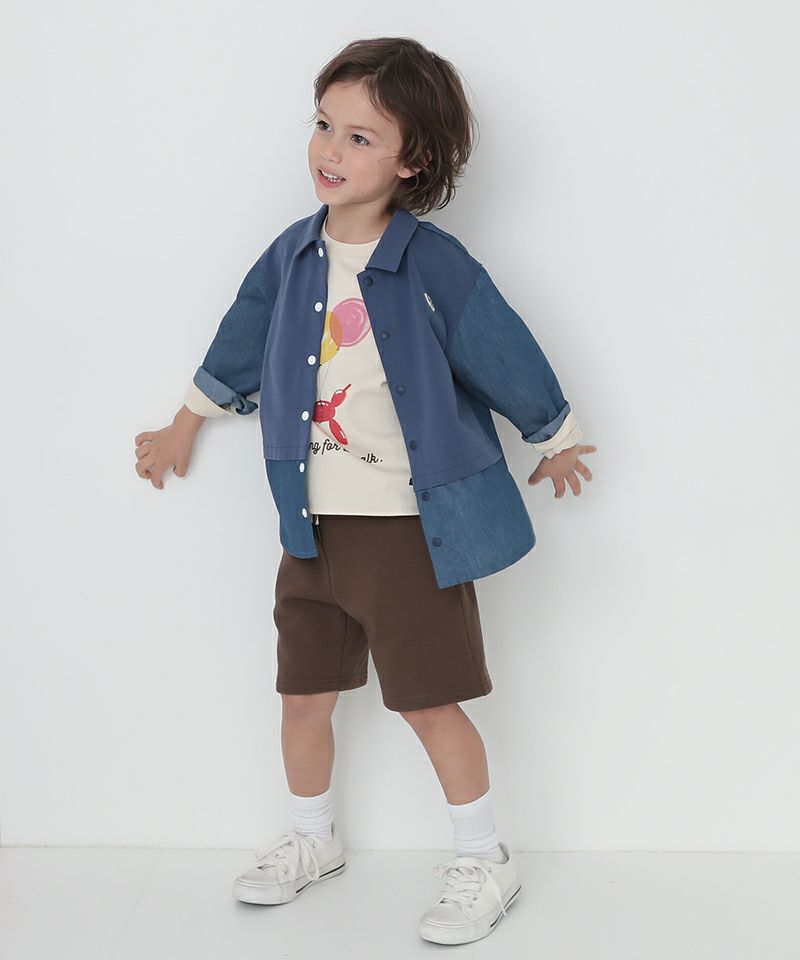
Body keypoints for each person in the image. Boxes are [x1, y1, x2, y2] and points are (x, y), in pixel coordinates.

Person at [134, 36, 597, 946]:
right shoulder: (291, 255)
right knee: (303, 693)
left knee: (428, 699)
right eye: (323, 125)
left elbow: (496, 341)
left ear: (411, 160)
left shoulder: (432, 263)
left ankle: (485, 858)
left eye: (360, 138)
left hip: (408, 531)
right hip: (308, 525)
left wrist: (555, 435)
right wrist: (185, 420)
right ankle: (314, 839)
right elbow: (240, 338)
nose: (330, 151)